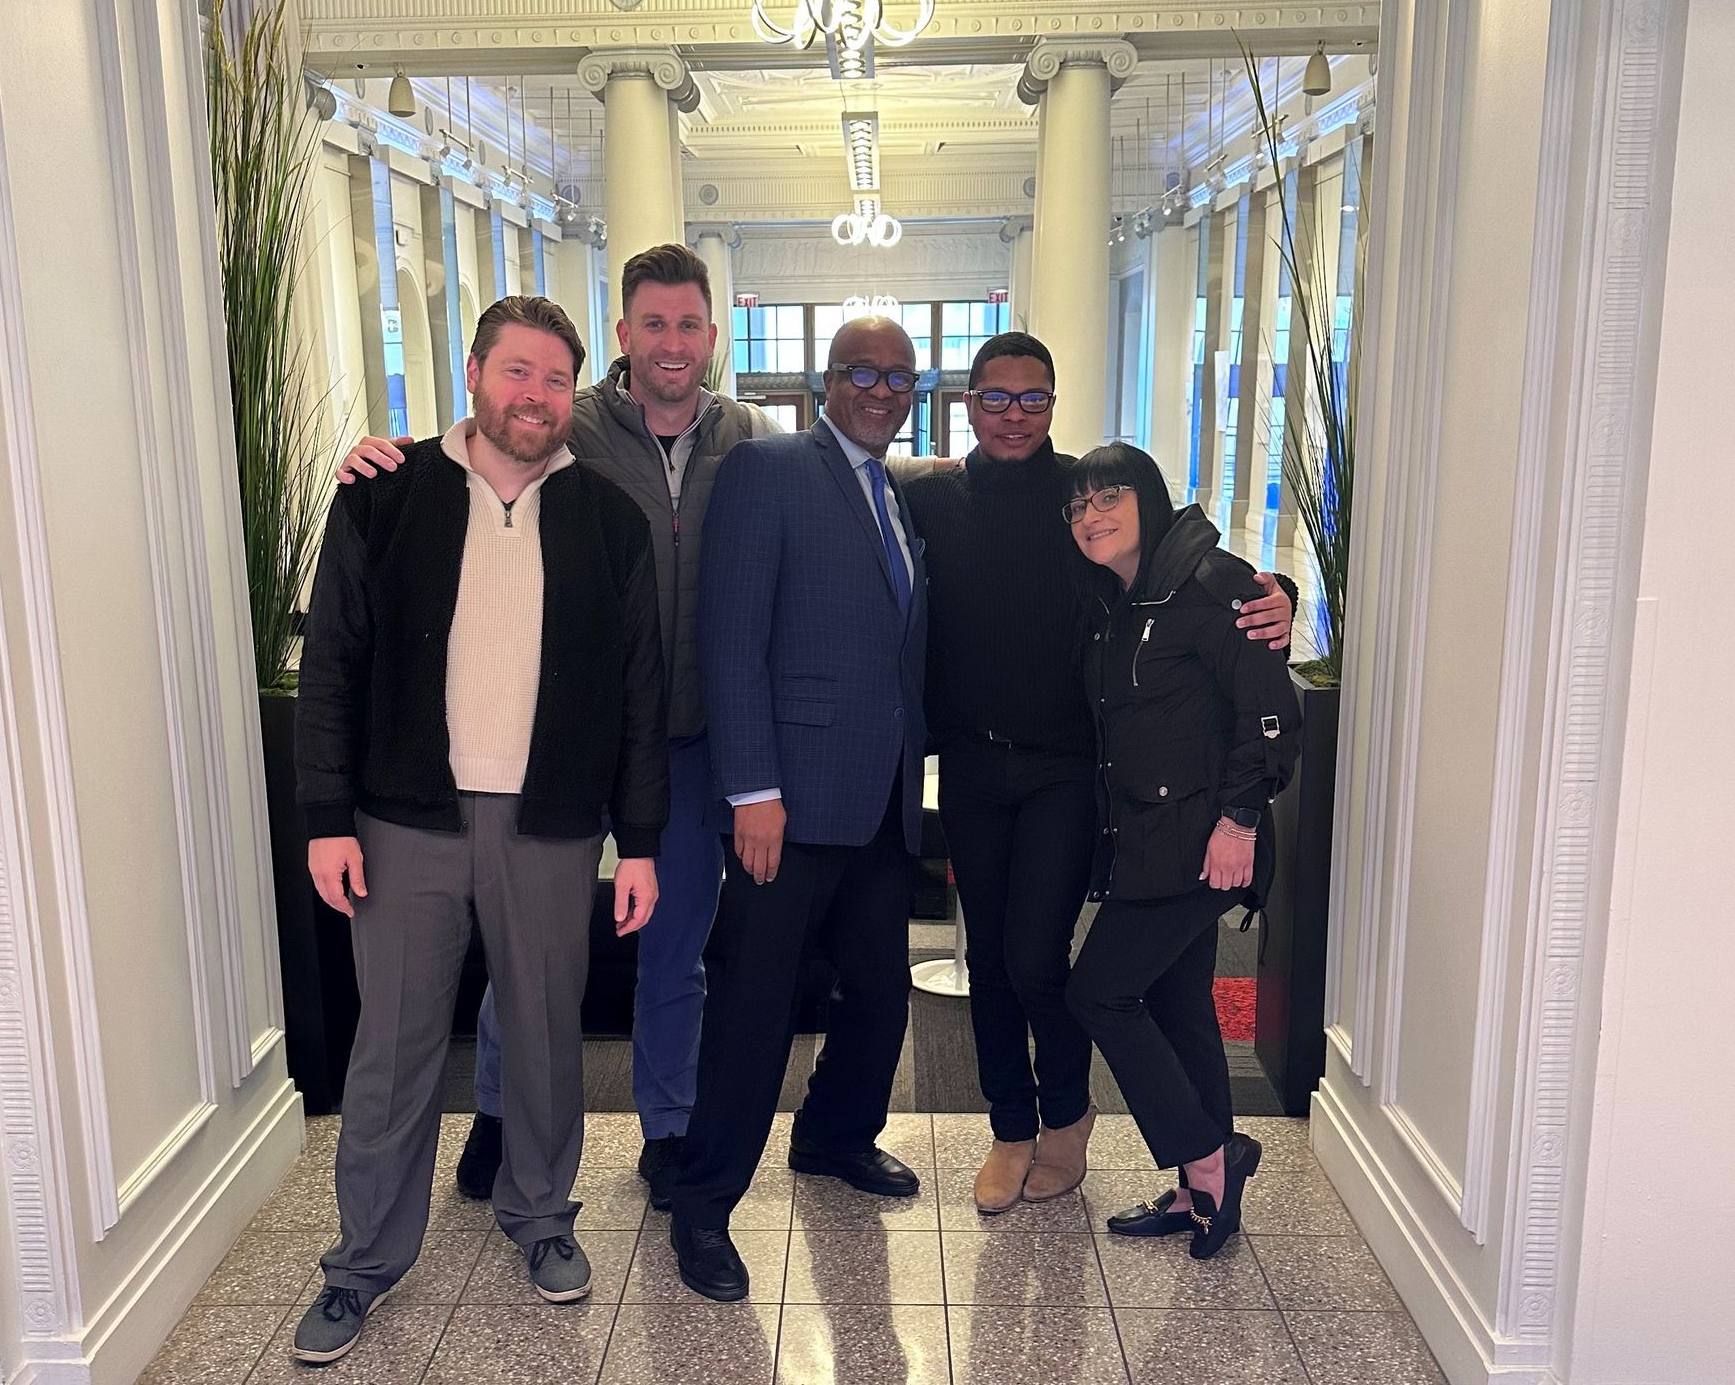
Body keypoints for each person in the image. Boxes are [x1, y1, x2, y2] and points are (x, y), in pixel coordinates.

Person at [336, 244, 773, 1211]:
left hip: (688, 738)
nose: (671, 341)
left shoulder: (750, 437)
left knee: (672, 947)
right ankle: (499, 1110)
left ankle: (666, 1121)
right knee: (520, 951)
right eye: (652, 323)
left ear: (712, 334)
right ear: (623, 335)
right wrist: (381, 454)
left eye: (689, 323)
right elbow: (483, 444)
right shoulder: (568, 421)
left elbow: (826, 490)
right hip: (554, 742)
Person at [290, 296, 668, 1363]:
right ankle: (362, 1262)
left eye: (557, 380)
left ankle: (542, 1218)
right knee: (395, 1047)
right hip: (404, 818)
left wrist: (637, 841)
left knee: (547, 1035)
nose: (535, 398)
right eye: (517, 373)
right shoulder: (385, 495)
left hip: (551, 823)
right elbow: (332, 670)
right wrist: (326, 819)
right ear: (473, 372)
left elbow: (640, 693)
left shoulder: (608, 519)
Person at [901, 333, 1296, 1215]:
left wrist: (1275, 600)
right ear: (967, 402)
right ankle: (1011, 1127)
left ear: (1052, 401)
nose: (1014, 412)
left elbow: (1187, 564)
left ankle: (1067, 1123)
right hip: (969, 761)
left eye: (1031, 397)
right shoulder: (928, 494)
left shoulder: (1086, 491)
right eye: (995, 396)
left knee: (1042, 961)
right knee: (994, 965)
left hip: (1068, 770)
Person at [668, 316, 930, 1302]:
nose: (882, 388)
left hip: (877, 800)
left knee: (879, 992)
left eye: (900, 375)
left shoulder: (901, 496)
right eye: (863, 372)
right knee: (753, 1010)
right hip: (787, 800)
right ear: (828, 382)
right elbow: (731, 639)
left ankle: (832, 1138)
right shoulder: (770, 469)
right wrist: (753, 791)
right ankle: (700, 1204)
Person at [1060, 441, 1302, 1260]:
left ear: (1149, 500)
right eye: (1079, 505)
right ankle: (1204, 1197)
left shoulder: (1213, 585)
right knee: (1178, 1002)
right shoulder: (1121, 593)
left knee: (1098, 993)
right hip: (1149, 839)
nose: (1090, 516)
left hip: (1203, 843)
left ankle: (1208, 1156)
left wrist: (1240, 821)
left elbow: (1270, 714)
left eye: (1108, 499)